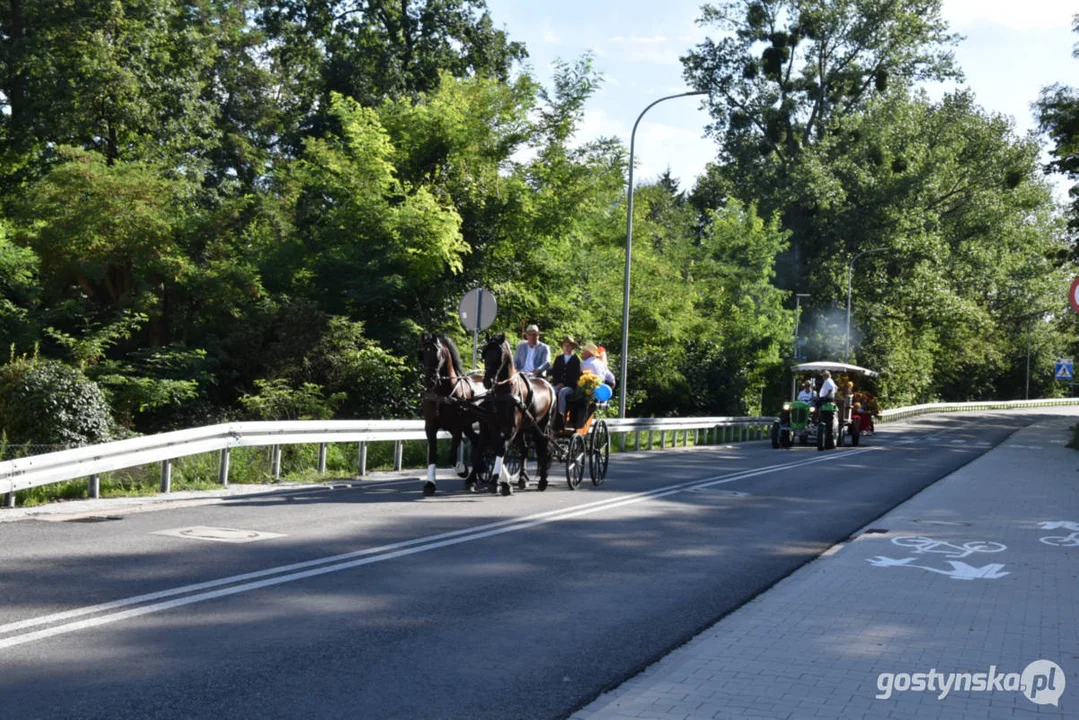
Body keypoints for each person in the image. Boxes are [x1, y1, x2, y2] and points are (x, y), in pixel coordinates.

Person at [550, 336, 582, 424]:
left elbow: (576, 376)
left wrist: (564, 384)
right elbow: (554, 373)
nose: (567, 348)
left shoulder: (576, 360)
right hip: (558, 384)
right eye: (565, 346)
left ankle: (561, 415)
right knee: (551, 391)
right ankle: (550, 414)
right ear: (562, 347)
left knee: (562, 392)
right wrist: (557, 383)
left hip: (570, 386)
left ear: (572, 347)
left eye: (569, 346)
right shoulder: (558, 358)